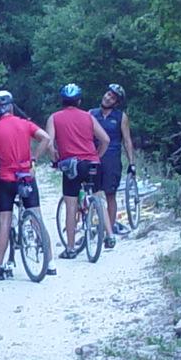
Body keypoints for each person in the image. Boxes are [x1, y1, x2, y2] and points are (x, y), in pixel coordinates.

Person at [0, 90, 54, 281]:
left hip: (7, 180)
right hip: (26, 176)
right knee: (37, 219)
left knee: (4, 223)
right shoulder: (25, 124)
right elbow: (46, 138)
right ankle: (50, 264)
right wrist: (34, 157)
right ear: (11, 107)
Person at [46, 83, 112, 256]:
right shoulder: (89, 116)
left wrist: (55, 160)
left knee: (71, 205)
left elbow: (48, 143)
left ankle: (70, 248)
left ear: (62, 101)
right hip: (93, 163)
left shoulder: (54, 118)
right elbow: (105, 139)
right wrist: (97, 155)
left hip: (72, 166)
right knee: (99, 197)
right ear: (79, 101)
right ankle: (110, 235)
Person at [91, 82, 136, 237]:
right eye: (108, 94)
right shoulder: (91, 113)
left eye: (113, 97)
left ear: (116, 103)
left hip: (112, 159)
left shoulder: (121, 117)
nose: (108, 98)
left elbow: (127, 140)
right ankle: (89, 225)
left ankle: (108, 231)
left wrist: (132, 163)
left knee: (110, 194)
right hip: (94, 157)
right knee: (92, 193)